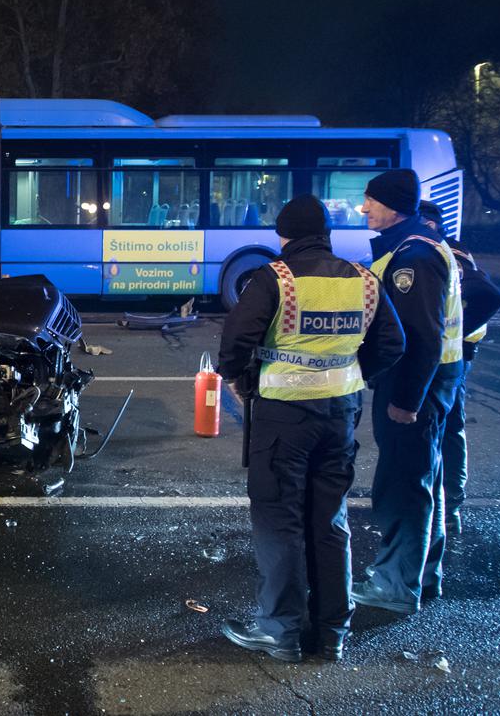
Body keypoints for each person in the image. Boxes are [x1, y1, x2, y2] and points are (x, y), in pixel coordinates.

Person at [218, 195, 404, 663]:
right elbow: (391, 344)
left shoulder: (274, 278)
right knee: (329, 522)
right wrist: (355, 375)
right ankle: (331, 634)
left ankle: (279, 630)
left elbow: (234, 346)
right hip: (339, 416)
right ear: (325, 233)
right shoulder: (364, 280)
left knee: (280, 522)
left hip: (284, 419)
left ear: (284, 235)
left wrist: (244, 382)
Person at [351, 169, 464, 616]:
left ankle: (396, 584)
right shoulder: (416, 246)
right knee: (423, 478)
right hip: (431, 382)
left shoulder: (412, 257)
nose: (364, 208)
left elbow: (422, 336)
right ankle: (422, 575)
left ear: (395, 205)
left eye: (371, 201)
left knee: (403, 484)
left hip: (414, 385)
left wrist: (407, 402)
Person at [417, 200, 500, 535]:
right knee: (448, 428)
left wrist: (452, 336)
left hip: (450, 357)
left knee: (445, 428)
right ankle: (447, 507)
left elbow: (487, 294)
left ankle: (447, 507)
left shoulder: (446, 252)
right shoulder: (447, 249)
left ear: (428, 225)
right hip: (453, 353)